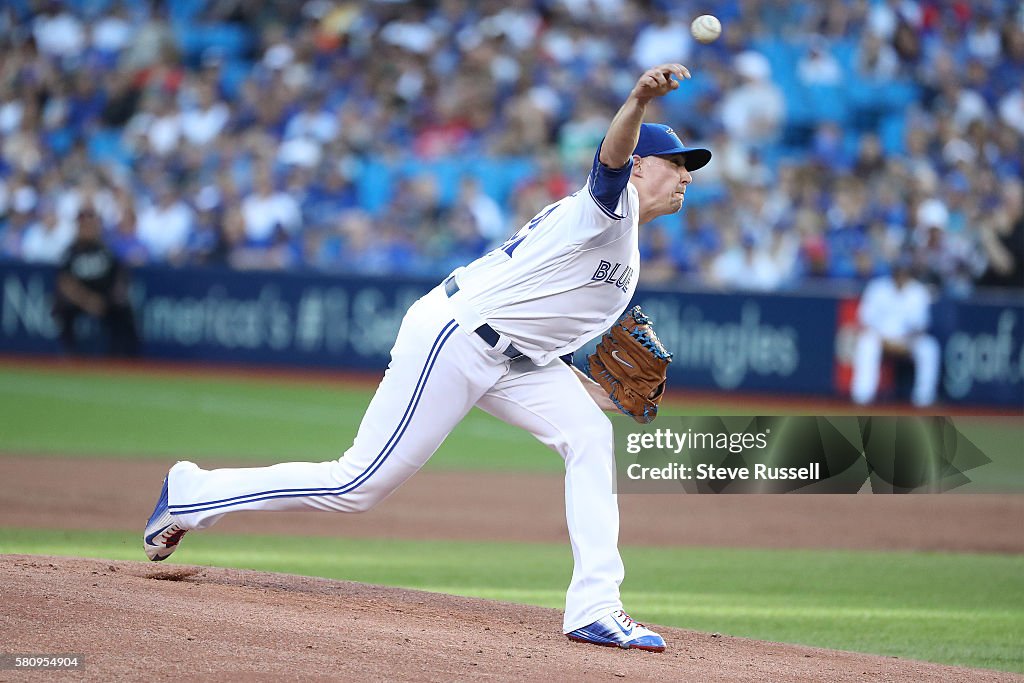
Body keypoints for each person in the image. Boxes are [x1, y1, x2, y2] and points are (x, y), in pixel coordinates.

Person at [143, 64, 711, 652]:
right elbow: (610, 160)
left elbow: (538, 338)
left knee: (591, 435)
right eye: (676, 163)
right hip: (456, 337)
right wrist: (639, 98)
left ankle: (596, 606)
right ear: (641, 166)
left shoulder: (628, 245)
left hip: (510, 357)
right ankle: (192, 493)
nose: (685, 176)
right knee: (356, 485)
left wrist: (598, 393)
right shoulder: (608, 209)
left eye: (690, 169)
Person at [850, 257, 939, 407]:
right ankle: (862, 397)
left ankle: (924, 400)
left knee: (929, 348)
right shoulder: (877, 288)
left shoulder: (917, 292)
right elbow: (865, 320)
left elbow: (921, 326)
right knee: (866, 343)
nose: (901, 275)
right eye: (898, 272)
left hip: (908, 341)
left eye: (904, 272)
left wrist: (905, 342)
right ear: (893, 272)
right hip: (880, 338)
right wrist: (884, 340)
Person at [52, 207, 140, 357]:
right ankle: (68, 353)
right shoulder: (71, 252)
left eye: (92, 226)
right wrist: (87, 301)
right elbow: (65, 283)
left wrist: (112, 297)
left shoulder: (106, 250)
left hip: (105, 299)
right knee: (62, 308)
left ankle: (122, 357)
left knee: (124, 310)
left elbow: (120, 277)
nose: (89, 230)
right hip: (80, 300)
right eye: (85, 226)